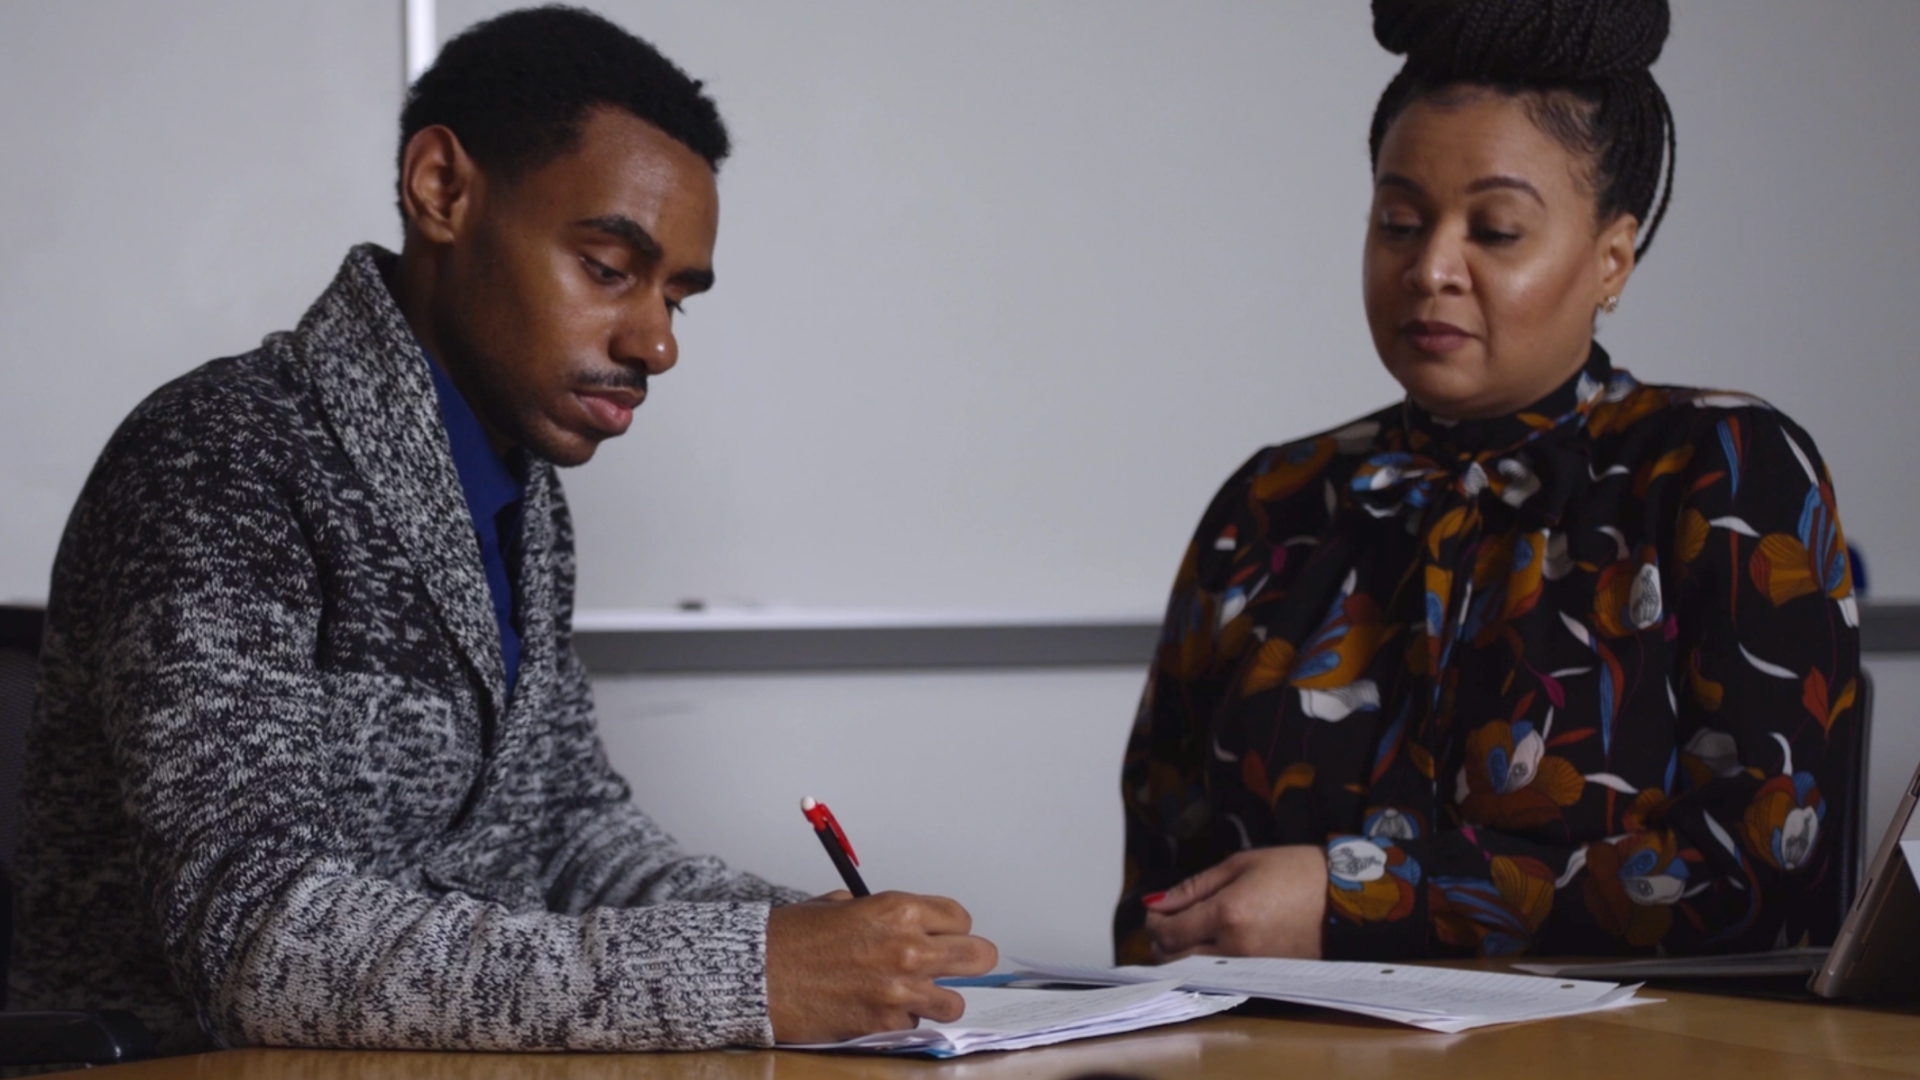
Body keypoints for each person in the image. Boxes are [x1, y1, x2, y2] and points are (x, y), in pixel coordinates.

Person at [9, 5, 994, 1055]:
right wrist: (751, 972)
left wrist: (843, 945)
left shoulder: (517, 487)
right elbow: (263, 942)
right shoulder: (220, 457)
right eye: (611, 268)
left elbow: (570, 840)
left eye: (678, 298)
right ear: (442, 189)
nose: (655, 341)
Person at [1117, 0, 1861, 964]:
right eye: (1398, 222)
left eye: (1497, 231)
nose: (1430, 269)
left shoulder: (1721, 470)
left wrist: (1361, 899)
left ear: (1612, 258)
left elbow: (1768, 883)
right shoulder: (1270, 504)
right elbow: (1156, 907)